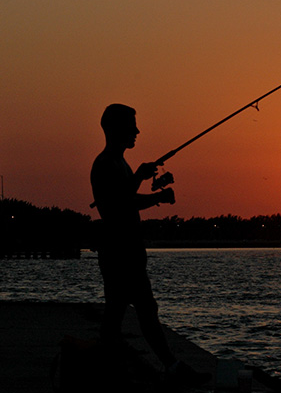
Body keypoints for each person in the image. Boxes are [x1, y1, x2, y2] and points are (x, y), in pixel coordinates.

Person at [90, 103, 209, 386]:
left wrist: (145, 185)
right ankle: (171, 367)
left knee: (119, 312)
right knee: (142, 309)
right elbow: (118, 204)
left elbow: (124, 197)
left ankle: (105, 369)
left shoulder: (119, 163)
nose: (137, 131)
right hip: (119, 252)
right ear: (116, 128)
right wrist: (151, 190)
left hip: (127, 250)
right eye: (132, 125)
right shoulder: (106, 163)